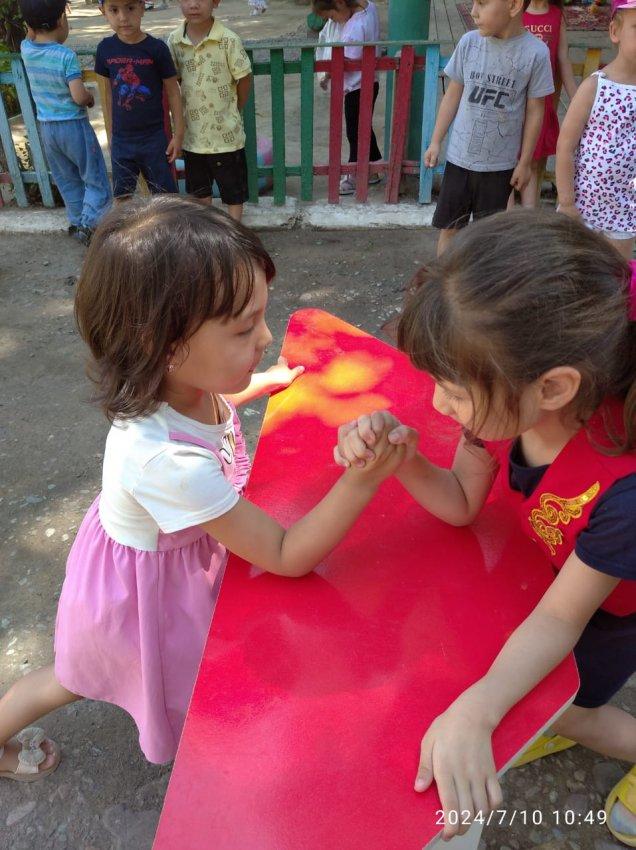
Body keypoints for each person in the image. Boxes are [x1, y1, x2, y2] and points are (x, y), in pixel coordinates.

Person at [0, 195, 404, 781]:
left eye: (261, 318)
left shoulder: (178, 383)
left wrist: (258, 381)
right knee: (75, 677)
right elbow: (286, 554)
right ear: (163, 347)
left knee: (183, 661)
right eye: (244, 330)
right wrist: (362, 479)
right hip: (135, 599)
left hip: (176, 558)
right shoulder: (167, 462)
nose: (266, 335)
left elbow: (214, 397)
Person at [335, 210, 636, 846]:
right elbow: (461, 502)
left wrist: (480, 708)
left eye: (453, 391)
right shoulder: (506, 402)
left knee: (573, 710)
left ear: (553, 387)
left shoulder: (624, 492)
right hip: (559, 579)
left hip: (613, 614)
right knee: (530, 688)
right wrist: (403, 459)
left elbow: (561, 620)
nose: (437, 405)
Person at [423, 0, 553, 255]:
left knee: (490, 239)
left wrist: (525, 162)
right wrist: (436, 140)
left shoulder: (536, 53)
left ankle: (481, 281)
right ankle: (443, 279)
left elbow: (535, 111)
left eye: (482, 3)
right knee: (450, 229)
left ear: (513, 5)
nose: (473, 12)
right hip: (459, 160)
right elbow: (452, 95)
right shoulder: (469, 43)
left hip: (500, 167)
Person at [19, 0, 111, 245]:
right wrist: (90, 98)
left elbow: (30, 35)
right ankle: (91, 224)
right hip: (73, 126)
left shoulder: (26, 49)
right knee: (94, 177)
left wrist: (32, 24)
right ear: (62, 20)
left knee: (67, 179)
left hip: (47, 129)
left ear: (29, 26)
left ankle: (77, 221)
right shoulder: (65, 56)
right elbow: (78, 96)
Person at [556, 0, 636, 262]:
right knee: (574, 268)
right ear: (615, 32)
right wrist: (567, 203)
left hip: (625, 211)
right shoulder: (596, 86)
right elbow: (566, 146)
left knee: (615, 272)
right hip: (583, 208)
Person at [168, 0, 253, 221]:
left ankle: (234, 232)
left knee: (234, 193)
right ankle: (206, 233)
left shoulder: (228, 40)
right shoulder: (175, 41)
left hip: (226, 136)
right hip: (193, 137)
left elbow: (244, 79)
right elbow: (174, 82)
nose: (193, 5)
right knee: (199, 194)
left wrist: (235, 108)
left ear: (215, 2)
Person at [95, 0, 183, 199]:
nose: (123, 18)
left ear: (142, 7)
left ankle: (167, 222)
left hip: (154, 139)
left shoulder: (157, 48)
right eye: (114, 10)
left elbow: (173, 91)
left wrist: (178, 134)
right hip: (121, 139)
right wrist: (111, 134)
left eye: (130, 8)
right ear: (103, 12)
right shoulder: (105, 49)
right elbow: (108, 94)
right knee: (122, 197)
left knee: (166, 197)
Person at [312, 0, 382, 196]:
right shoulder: (370, 8)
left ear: (340, 3)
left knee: (355, 132)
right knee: (363, 127)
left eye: (332, 17)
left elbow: (342, 61)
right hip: (372, 81)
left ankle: (353, 174)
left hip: (356, 87)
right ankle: (373, 170)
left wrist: (326, 74)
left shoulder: (353, 28)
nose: (334, 22)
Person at [512, 0, 577, 206]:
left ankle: (530, 218)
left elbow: (563, 59)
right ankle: (505, 219)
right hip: (513, 102)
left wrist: (577, 99)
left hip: (540, 104)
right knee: (507, 162)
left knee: (532, 163)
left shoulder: (557, 16)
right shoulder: (516, 11)